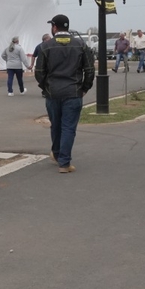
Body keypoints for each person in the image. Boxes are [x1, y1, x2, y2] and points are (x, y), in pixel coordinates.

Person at [34, 14, 95, 173]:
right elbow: (89, 69)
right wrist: (84, 88)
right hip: (73, 92)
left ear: (54, 27)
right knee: (68, 127)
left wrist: (45, 88)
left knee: (56, 125)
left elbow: (39, 72)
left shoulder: (45, 46)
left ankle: (56, 154)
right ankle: (64, 163)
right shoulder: (80, 45)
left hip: (52, 93)